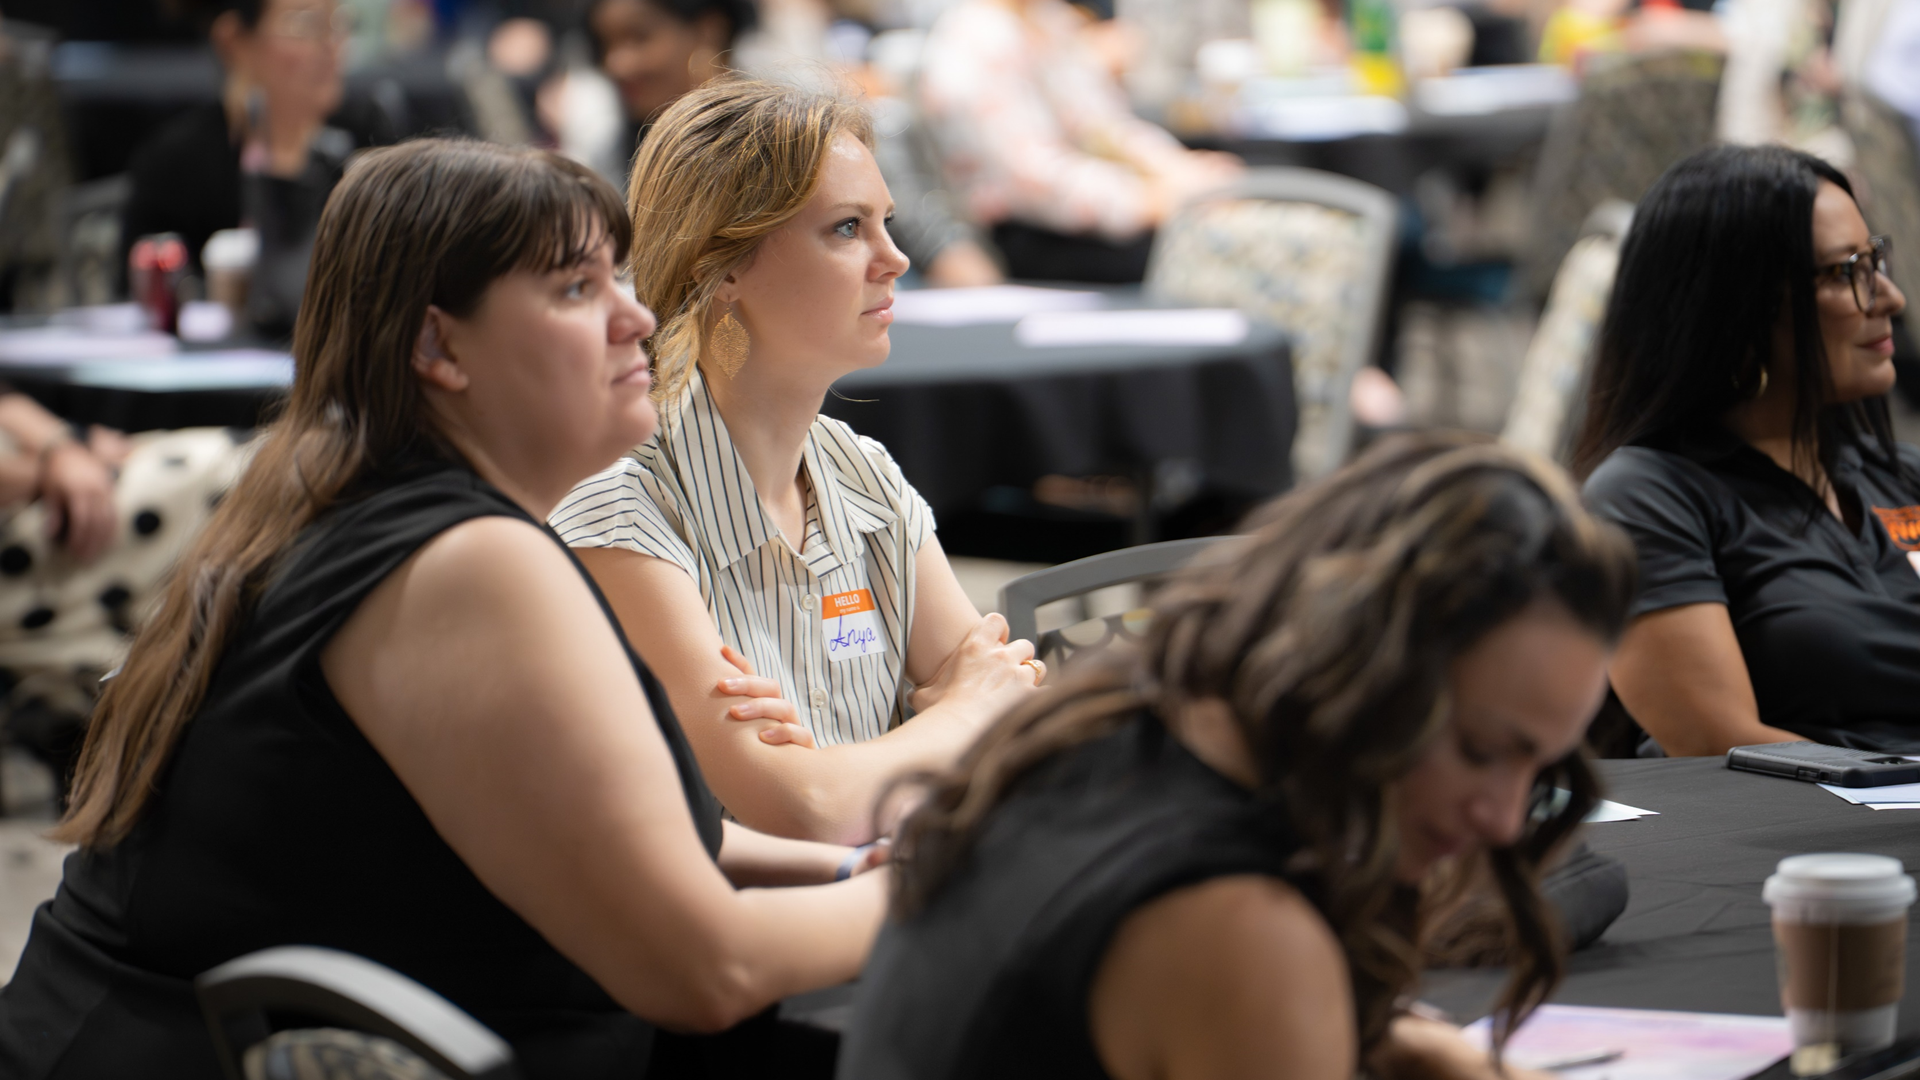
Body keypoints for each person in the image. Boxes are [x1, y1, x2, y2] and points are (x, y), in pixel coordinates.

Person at [0, 138, 887, 1079]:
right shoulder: (469, 562)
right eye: (578, 289)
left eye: (620, 278)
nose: (639, 316)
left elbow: (640, 842)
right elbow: (709, 967)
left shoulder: (350, 495)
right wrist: (939, 891)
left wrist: (845, 871)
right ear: (438, 346)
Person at [837, 432, 1637, 1080]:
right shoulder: (1240, 930)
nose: (1503, 818)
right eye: (1481, 750)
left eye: (1540, 771)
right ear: (1364, 667)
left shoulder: (1107, 725)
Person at [552, 80, 1040, 848]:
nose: (897, 258)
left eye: (886, 222)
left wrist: (955, 719)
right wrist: (962, 713)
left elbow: (1013, 729)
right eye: (847, 228)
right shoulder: (622, 512)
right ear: (725, 266)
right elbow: (801, 811)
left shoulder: (864, 471)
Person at [1577, 144, 1916, 755]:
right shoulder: (1647, 499)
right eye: (1847, 273)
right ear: (1740, 310)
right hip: (1802, 839)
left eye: (1876, 261)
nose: (1890, 299)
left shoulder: (1899, 476)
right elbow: (1716, 742)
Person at [577, 0, 1003, 287]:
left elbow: (928, 229)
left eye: (639, 38)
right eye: (606, 46)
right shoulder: (612, 154)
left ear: (707, 27)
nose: (619, 63)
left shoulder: (801, 112)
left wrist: (981, 298)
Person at [0, 392, 252, 802]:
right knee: (232, 473)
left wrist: (62, 446)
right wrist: (59, 462)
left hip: (47, 470)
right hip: (28, 525)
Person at [917, 0, 1243, 283]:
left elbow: (1106, 126)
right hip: (1031, 237)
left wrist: (1184, 173)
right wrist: (1149, 201)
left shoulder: (1048, 20)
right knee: (1209, 257)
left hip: (1092, 216)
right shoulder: (974, 40)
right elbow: (1035, 180)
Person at [121, 0, 353, 336]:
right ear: (234, 41)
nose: (331, 46)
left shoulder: (371, 146)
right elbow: (137, 305)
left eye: (339, 25)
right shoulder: (176, 165)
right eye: (306, 25)